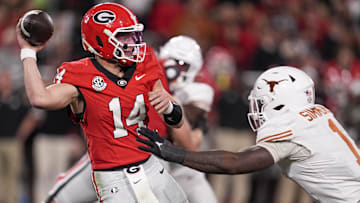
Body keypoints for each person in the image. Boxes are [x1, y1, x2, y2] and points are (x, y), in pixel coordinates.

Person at [17, 2, 188, 203]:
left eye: (133, 34)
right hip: (114, 177)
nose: (133, 42)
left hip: (152, 165)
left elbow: (176, 121)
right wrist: (28, 52)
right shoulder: (79, 74)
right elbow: (39, 98)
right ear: (100, 40)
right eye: (124, 36)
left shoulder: (146, 61)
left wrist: (169, 106)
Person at [137, 66, 360, 203]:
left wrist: (173, 153)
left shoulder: (292, 129)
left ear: (282, 102)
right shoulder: (319, 113)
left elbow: (234, 163)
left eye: (262, 102)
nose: (258, 109)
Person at [159, 35, 218, 203]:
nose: (176, 69)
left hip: (186, 169)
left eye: (183, 65)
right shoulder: (147, 82)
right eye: (173, 62)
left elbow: (188, 143)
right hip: (155, 169)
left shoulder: (199, 91)